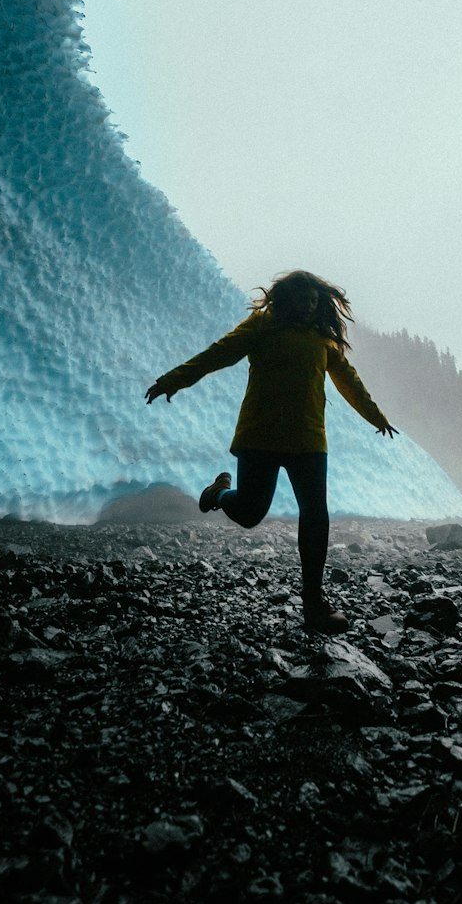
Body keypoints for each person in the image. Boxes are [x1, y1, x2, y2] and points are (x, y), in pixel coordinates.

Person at [145, 269, 398, 635]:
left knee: (315, 513)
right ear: (286, 299)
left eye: (314, 301)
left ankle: (314, 601)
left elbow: (349, 381)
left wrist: (375, 416)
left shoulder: (323, 341)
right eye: (303, 299)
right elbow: (217, 354)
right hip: (260, 435)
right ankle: (219, 493)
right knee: (249, 513)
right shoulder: (262, 326)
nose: (310, 307)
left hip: (308, 439)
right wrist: (174, 380)